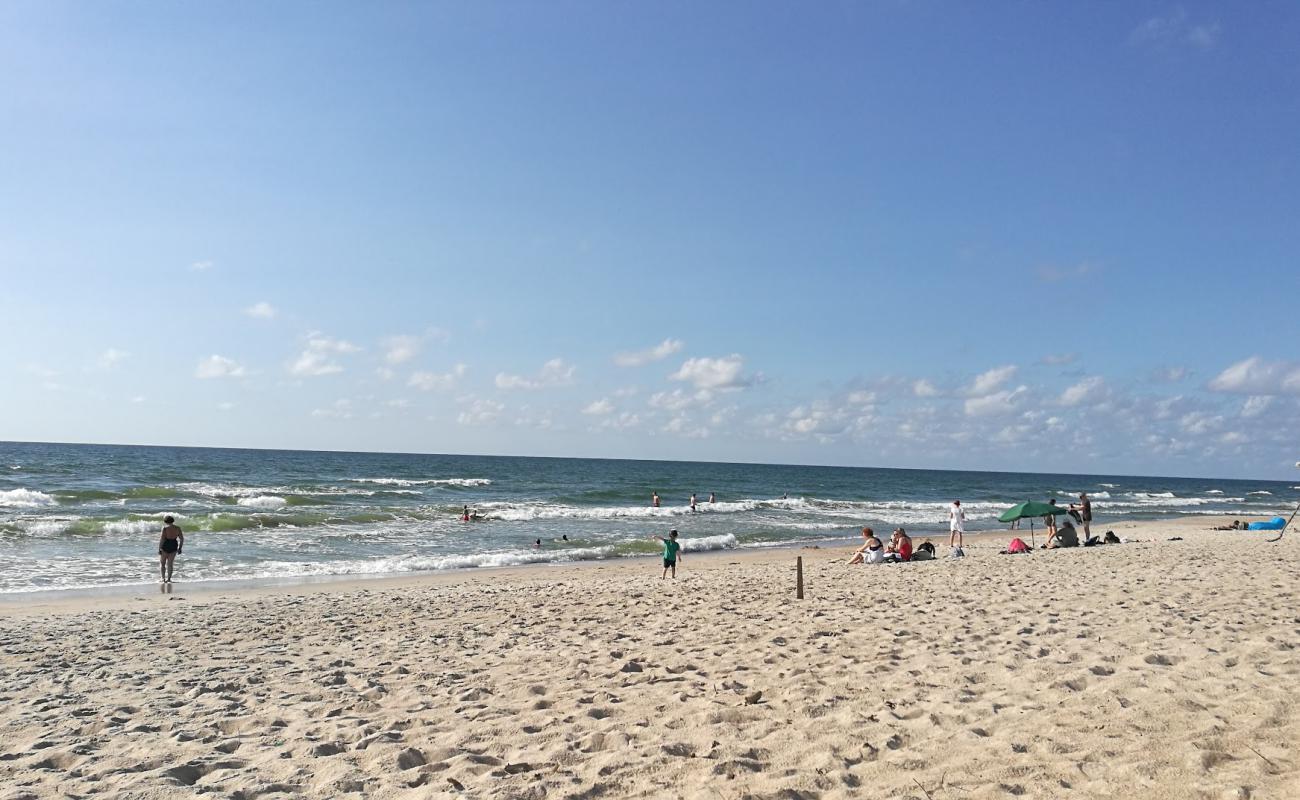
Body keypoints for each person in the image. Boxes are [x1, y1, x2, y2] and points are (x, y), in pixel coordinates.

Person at [158, 515, 183, 583]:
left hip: (166, 545)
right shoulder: (178, 528)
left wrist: (159, 548)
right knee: (170, 564)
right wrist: (180, 548)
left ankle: (163, 578)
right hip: (174, 545)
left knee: (163, 563)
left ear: (165, 521)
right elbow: (181, 539)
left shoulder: (165, 528)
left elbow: (162, 539)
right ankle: (169, 579)